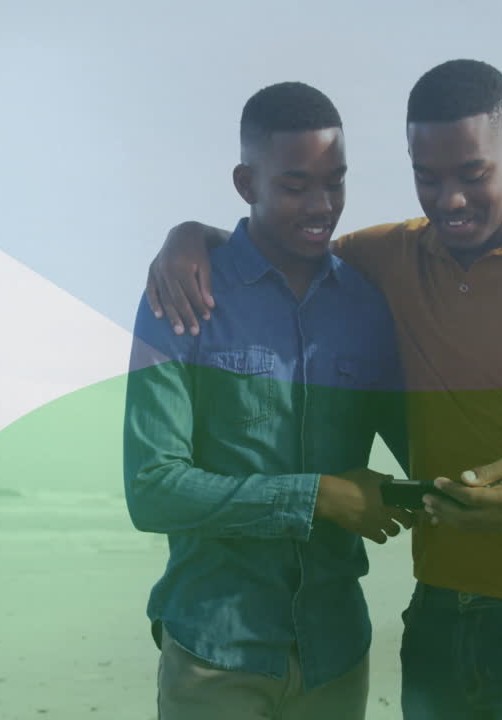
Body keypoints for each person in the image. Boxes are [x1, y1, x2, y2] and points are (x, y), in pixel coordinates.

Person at [142, 59, 502, 720]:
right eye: (427, 178)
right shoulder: (385, 262)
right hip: (430, 625)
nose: (449, 200)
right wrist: (186, 239)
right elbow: (273, 246)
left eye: (472, 174)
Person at [123, 81, 414, 720]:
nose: (322, 205)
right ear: (245, 182)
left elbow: (424, 447)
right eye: (294, 185)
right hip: (213, 652)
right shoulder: (181, 296)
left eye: (335, 182)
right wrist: (319, 496)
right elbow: (151, 487)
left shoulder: (367, 308)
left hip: (336, 654)